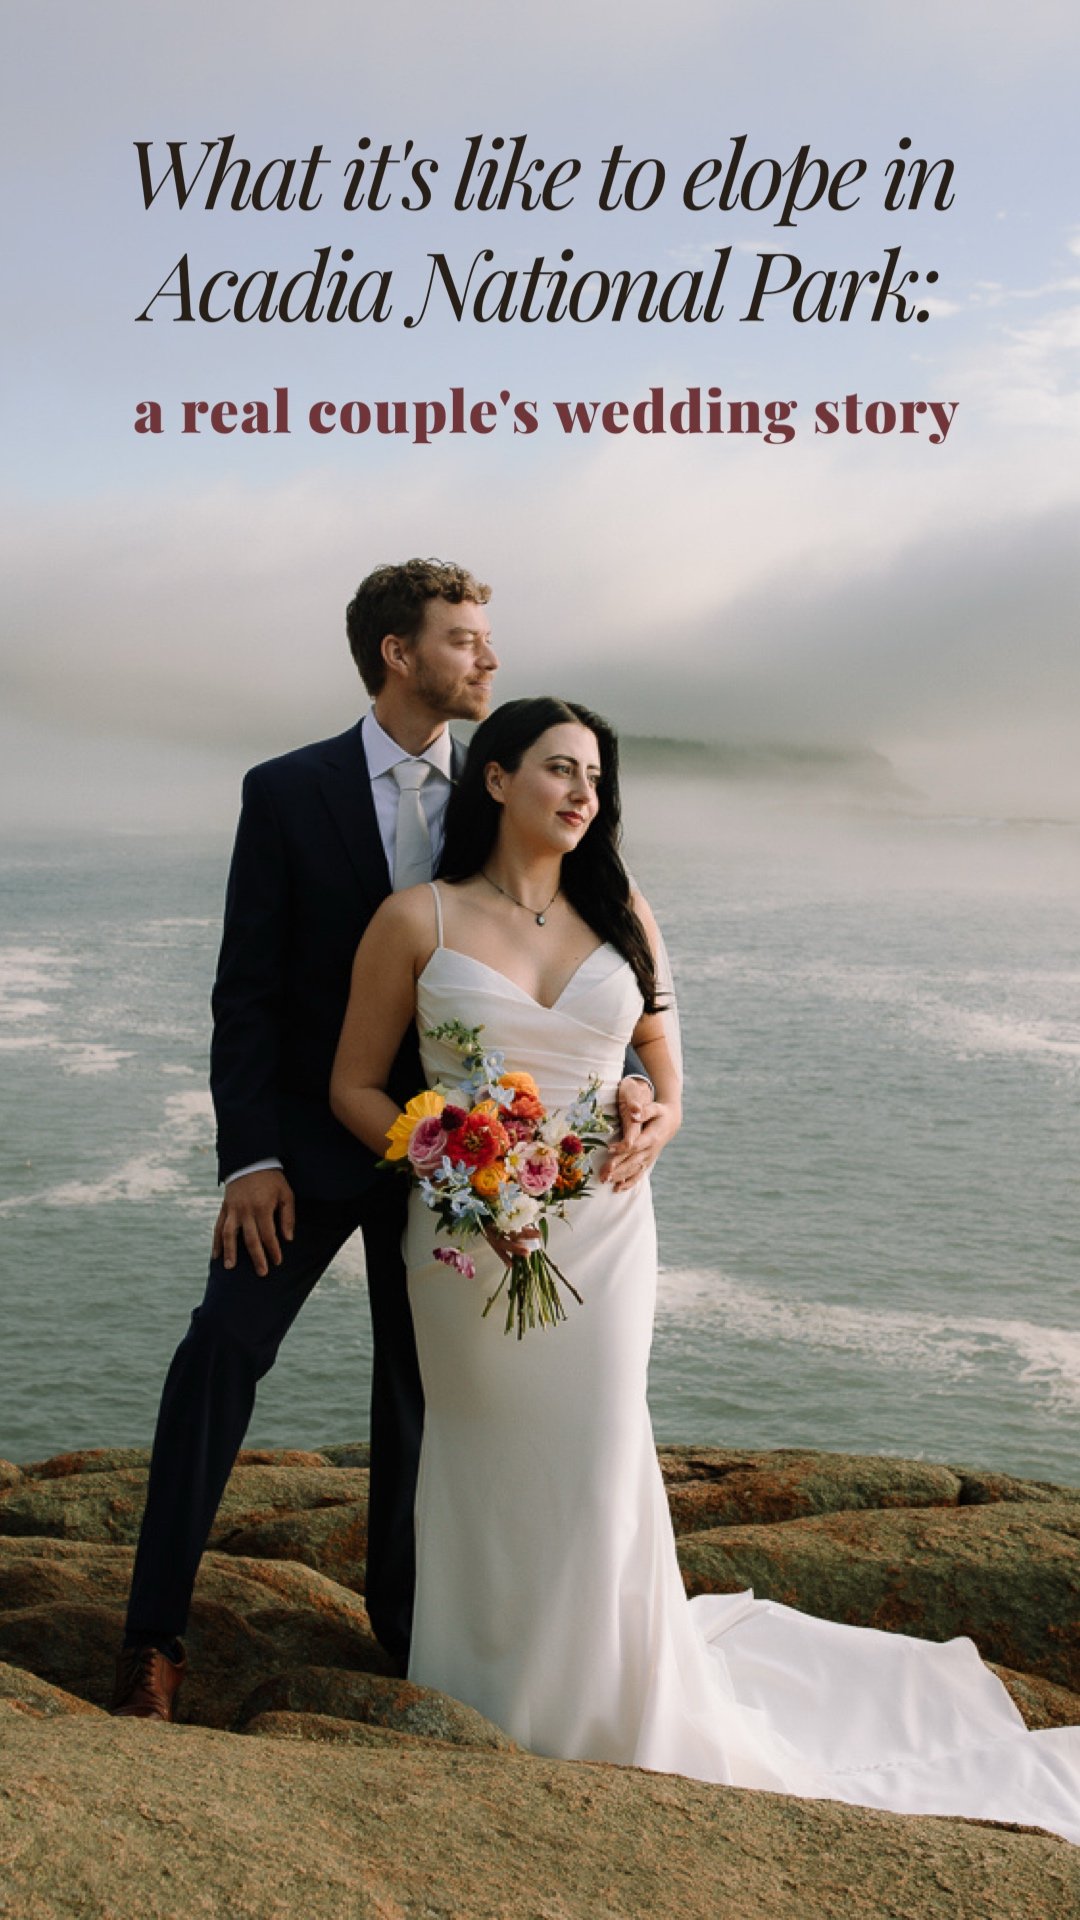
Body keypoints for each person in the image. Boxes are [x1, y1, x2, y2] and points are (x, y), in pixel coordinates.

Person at [329, 694, 1080, 1844]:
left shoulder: (622, 908)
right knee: (482, 1458)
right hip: (471, 1240)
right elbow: (355, 1086)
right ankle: (489, 1687)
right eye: (558, 770)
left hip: (606, 1228)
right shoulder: (414, 920)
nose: (582, 793)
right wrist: (444, 1160)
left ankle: (616, 1697)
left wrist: (648, 1116)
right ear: (494, 779)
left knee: (596, 1451)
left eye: (595, 777)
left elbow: (669, 1085)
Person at [110, 562, 659, 1723]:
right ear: (399, 653)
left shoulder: (504, 789)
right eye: (466, 640)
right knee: (221, 1351)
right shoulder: (287, 791)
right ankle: (152, 1639)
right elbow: (245, 990)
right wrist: (249, 1157)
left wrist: (617, 1095)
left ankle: (416, 1639)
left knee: (424, 1401)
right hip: (319, 1139)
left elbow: (576, 960)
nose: (489, 659)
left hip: (484, 1168)